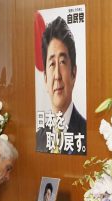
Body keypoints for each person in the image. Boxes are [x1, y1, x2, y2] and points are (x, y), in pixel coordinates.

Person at [36, 16, 86, 155]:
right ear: (45, 78)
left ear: (74, 72)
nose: (57, 75)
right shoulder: (38, 138)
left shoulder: (86, 133)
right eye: (52, 64)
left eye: (63, 62)